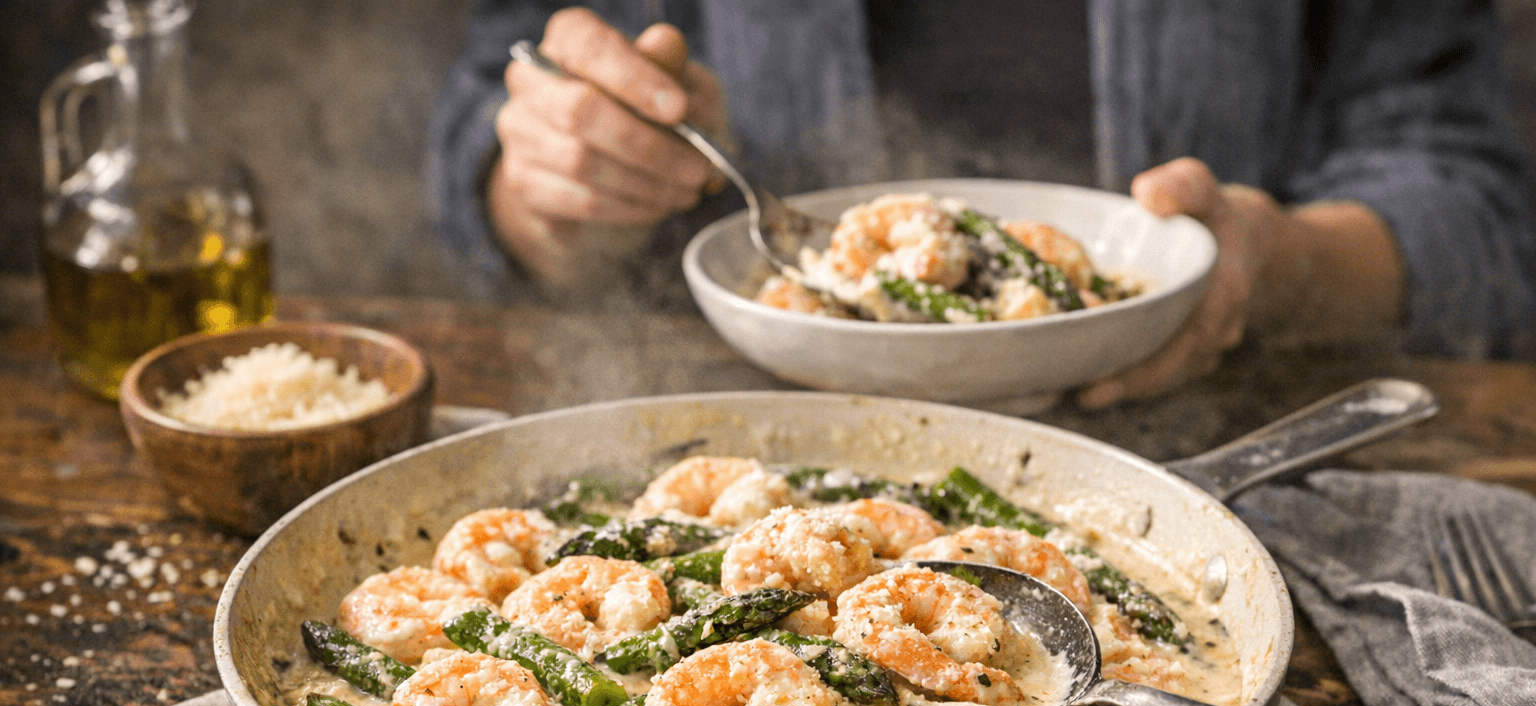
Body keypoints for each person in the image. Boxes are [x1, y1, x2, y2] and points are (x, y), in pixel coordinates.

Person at [427, 1, 1536, 407]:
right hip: (738, 416)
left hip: (1203, 433)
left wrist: (1269, 266)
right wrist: (556, 189)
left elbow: (1477, 211)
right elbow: (486, 120)